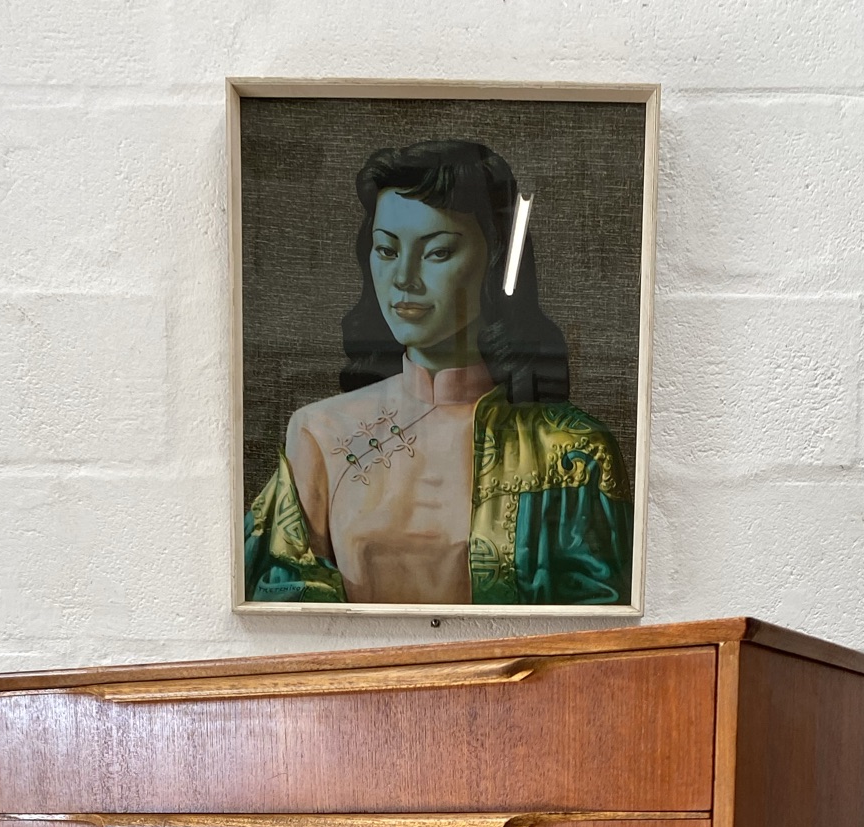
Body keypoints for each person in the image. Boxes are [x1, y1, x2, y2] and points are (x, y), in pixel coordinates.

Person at [244, 138, 633, 606]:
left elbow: (600, 627)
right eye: (387, 251)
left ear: (493, 264)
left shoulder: (573, 451)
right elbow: (280, 603)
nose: (404, 278)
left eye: (437, 252)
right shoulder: (319, 433)